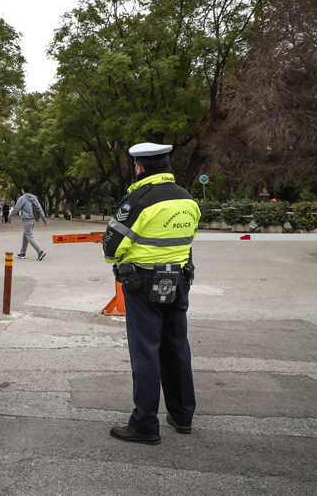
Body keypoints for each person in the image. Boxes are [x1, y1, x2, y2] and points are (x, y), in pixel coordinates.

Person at [102, 142, 199, 445]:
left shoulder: (138, 200)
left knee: (146, 351)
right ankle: (182, 415)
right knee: (176, 347)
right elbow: (188, 239)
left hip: (142, 284)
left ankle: (145, 424)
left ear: (139, 168)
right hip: (179, 280)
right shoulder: (187, 199)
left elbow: (111, 248)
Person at [10, 183, 48, 260]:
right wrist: (44, 220)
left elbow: (17, 208)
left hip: (26, 220)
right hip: (33, 219)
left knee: (29, 236)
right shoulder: (34, 198)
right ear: (29, 190)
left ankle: (40, 252)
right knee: (25, 235)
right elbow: (40, 209)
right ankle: (22, 253)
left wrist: (10, 215)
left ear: (23, 190)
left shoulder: (22, 198)